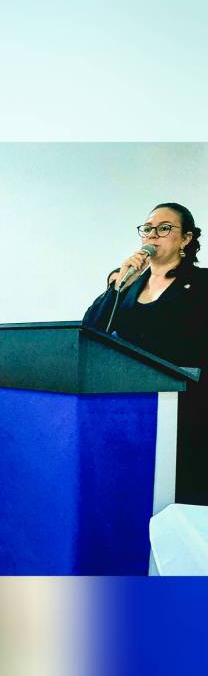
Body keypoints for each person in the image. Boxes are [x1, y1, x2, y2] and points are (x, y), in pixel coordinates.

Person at [82, 202, 208, 505]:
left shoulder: (202, 284)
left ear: (186, 239)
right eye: (147, 229)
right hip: (130, 406)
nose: (152, 235)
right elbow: (90, 329)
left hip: (187, 407)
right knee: (132, 492)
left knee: (182, 492)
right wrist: (117, 285)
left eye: (164, 228)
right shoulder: (128, 284)